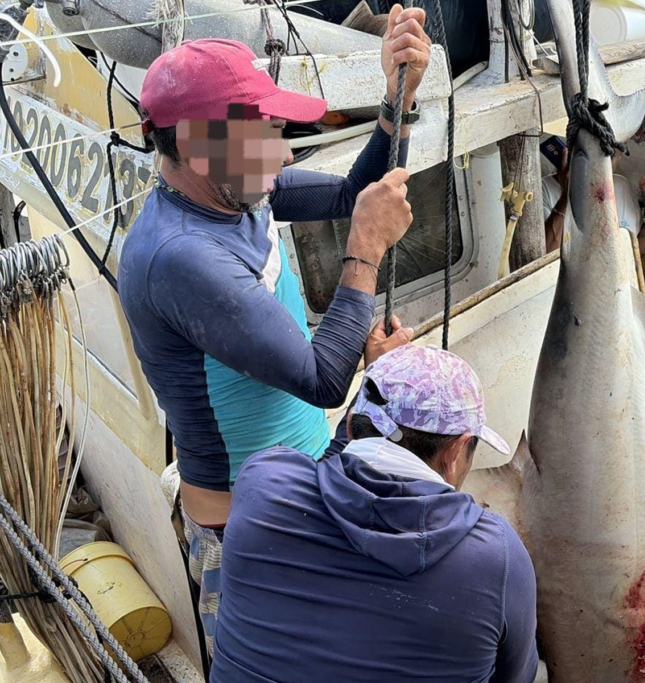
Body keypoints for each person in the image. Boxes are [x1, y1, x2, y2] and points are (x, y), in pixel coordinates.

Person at [117, 6, 431, 649]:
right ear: (199, 146)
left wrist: (396, 100)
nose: (280, 152)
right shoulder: (180, 256)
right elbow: (322, 377)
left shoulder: (238, 186)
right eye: (261, 134)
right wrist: (364, 251)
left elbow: (350, 195)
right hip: (245, 534)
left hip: (304, 477)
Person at [211, 344, 539, 683]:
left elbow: (332, 471)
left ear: (351, 426)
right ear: (456, 452)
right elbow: (516, 677)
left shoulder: (263, 483)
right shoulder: (496, 559)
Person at [541, 145, 645, 256]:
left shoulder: (620, 185)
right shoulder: (542, 190)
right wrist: (570, 193)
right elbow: (546, 256)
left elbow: (634, 250)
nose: (612, 160)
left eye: (614, 155)